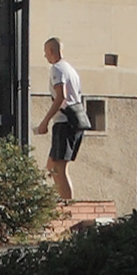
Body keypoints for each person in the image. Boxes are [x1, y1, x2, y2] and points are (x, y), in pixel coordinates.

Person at [43, 36, 87, 190]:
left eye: (45, 52)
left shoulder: (57, 68)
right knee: (51, 166)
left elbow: (60, 96)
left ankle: (68, 209)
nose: (45, 56)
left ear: (51, 51)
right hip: (73, 121)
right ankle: (56, 201)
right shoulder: (71, 70)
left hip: (64, 123)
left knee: (60, 169)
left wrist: (45, 122)